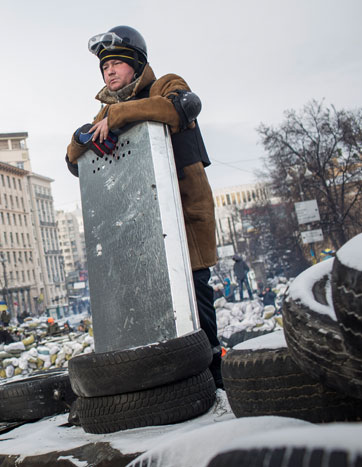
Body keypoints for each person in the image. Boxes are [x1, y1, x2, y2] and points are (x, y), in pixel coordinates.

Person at [65, 26, 222, 389]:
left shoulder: (165, 83)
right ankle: (167, 382)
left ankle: (213, 370)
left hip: (183, 212)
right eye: (105, 67)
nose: (109, 71)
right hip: (138, 223)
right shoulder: (103, 111)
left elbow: (181, 107)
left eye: (117, 63)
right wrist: (80, 138)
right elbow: (75, 162)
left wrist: (117, 118)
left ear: (136, 64)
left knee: (194, 292)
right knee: (150, 301)